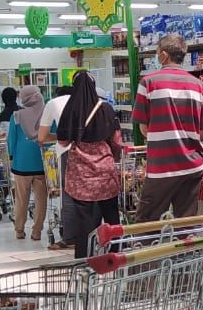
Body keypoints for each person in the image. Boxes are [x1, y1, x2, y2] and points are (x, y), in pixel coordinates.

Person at [131, 34, 203, 221]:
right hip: (192, 166)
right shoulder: (198, 86)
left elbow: (144, 130)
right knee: (186, 221)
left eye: (157, 52)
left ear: (164, 55)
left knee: (146, 223)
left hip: (162, 166)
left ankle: (148, 250)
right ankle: (184, 250)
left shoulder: (149, 83)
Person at [56, 71, 123, 259]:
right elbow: (117, 141)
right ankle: (116, 250)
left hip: (81, 173)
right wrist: (113, 157)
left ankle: (83, 255)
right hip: (105, 170)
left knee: (83, 218)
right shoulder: (106, 109)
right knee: (110, 212)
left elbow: (63, 141)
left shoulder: (71, 109)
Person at [7, 85, 47, 241]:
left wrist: (11, 156)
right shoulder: (47, 115)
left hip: (21, 164)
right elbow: (53, 136)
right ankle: (37, 232)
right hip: (41, 164)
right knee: (41, 200)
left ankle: (19, 230)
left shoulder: (16, 116)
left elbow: (12, 140)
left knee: (21, 199)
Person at [39, 84, 75, 251]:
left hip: (68, 152)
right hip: (94, 150)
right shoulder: (89, 101)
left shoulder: (53, 103)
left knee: (68, 195)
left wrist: (58, 136)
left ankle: (69, 238)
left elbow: (42, 136)